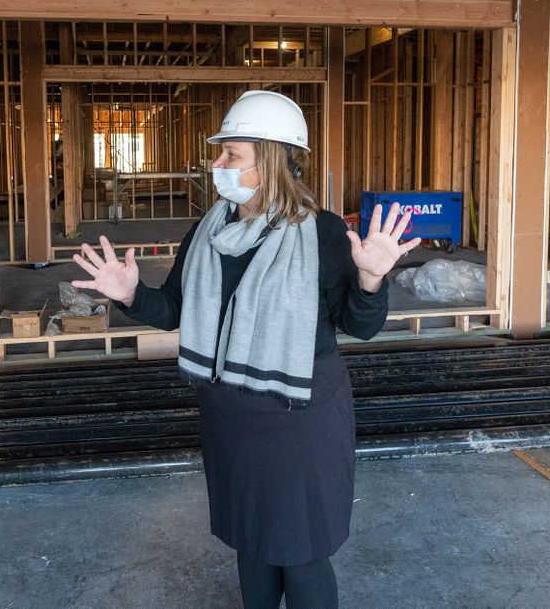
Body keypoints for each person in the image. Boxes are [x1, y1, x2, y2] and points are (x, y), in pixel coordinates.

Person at [72, 91, 420, 609]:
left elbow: (359, 326)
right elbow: (174, 308)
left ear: (272, 159)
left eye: (231, 154)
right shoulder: (211, 229)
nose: (217, 165)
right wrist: (129, 295)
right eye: (220, 154)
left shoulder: (320, 232)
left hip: (298, 415)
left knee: (300, 549)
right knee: (252, 542)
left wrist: (371, 279)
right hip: (228, 412)